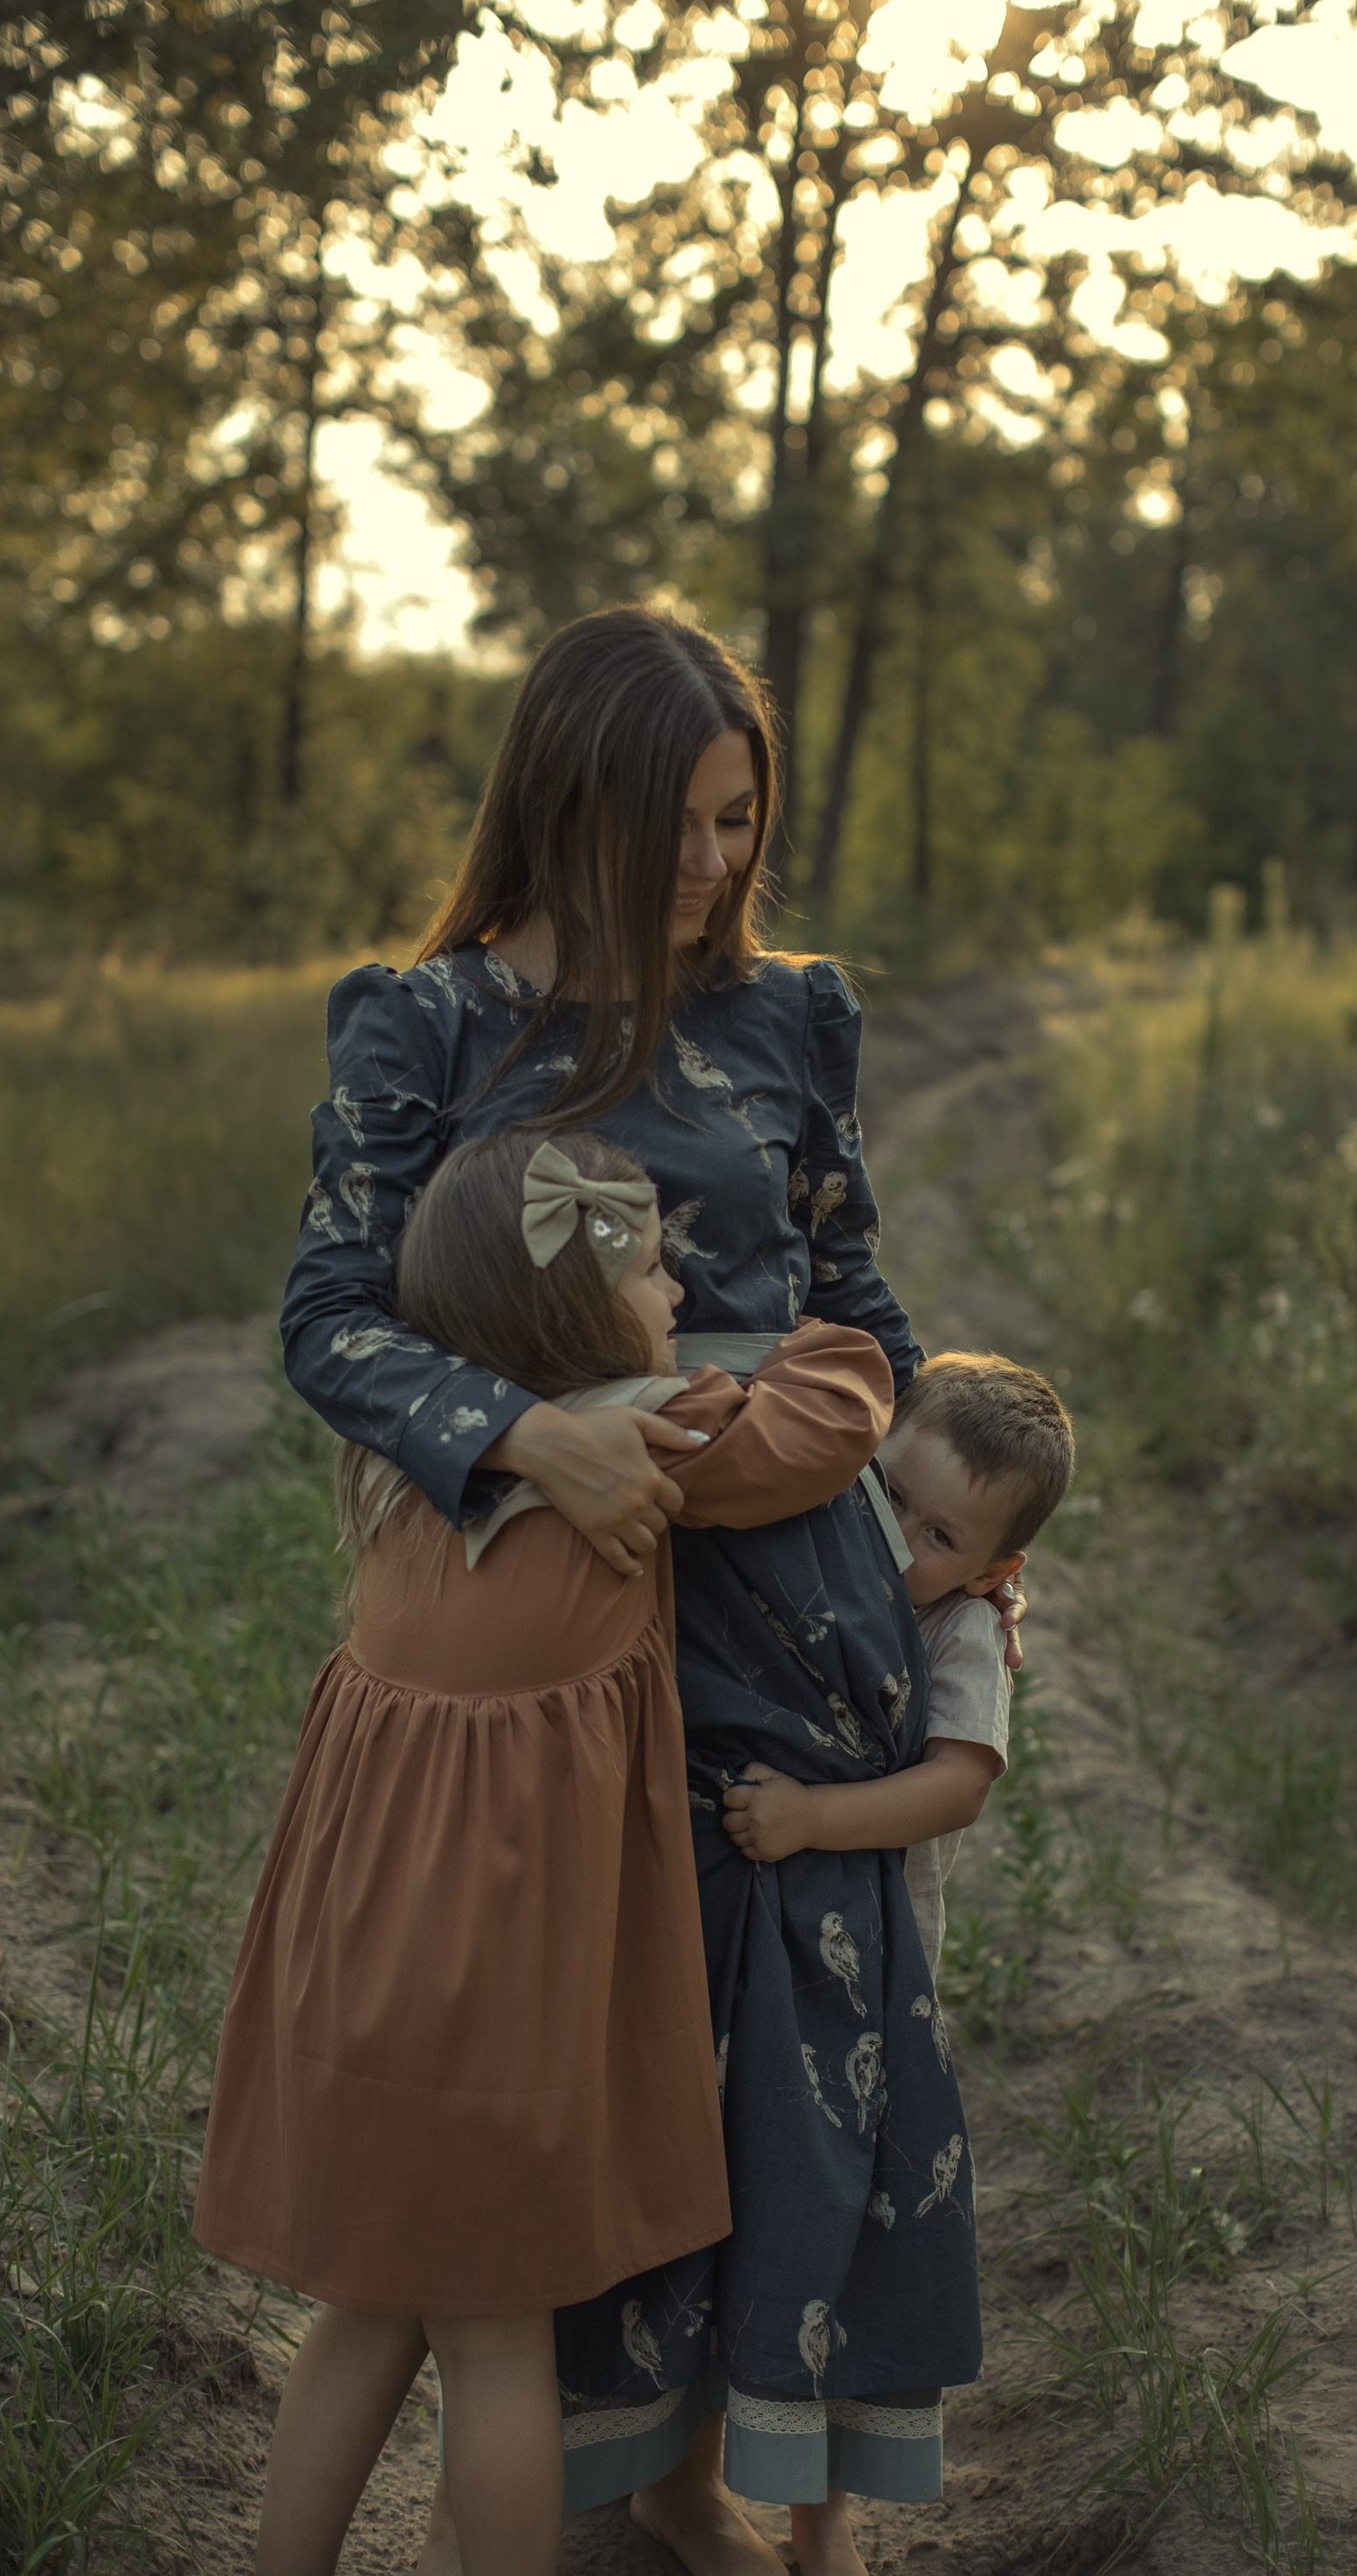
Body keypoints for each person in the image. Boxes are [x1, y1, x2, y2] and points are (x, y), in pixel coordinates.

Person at [278, 605, 1007, 2576]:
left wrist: (950, 1555)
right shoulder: (422, 1021)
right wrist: (530, 1440)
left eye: (736, 824)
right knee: (574, 2083)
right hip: (553, 1626)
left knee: (771, 2069)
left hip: (791, 1616)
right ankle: (582, 2504)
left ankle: (706, 2496)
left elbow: (859, 1302)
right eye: (676, 824)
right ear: (570, 802)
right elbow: (328, 1317)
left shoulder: (793, 1013)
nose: (709, 867)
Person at [194, 1123, 896, 2576]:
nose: (678, 1288)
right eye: (648, 1265)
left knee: (366, 2309)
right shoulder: (643, 1435)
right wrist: (835, 1326)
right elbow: (833, 1415)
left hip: (355, 1962)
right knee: (497, 2343)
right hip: (498, 1994)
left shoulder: (402, 1463)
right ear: (582, 1316)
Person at [720, 1353, 1075, 1981]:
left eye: (938, 1535)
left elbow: (958, 1786)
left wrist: (813, 1817)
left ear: (993, 1575)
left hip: (867, 1941)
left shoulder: (963, 1629)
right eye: (889, 1493)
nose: (894, 1534)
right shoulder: (808, 1540)